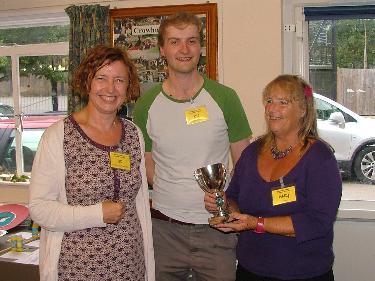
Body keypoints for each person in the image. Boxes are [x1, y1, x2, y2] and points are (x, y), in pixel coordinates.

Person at [133, 12, 252, 281]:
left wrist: (227, 203)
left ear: (200, 47)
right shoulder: (146, 104)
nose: (184, 50)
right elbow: (148, 167)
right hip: (164, 230)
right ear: (162, 49)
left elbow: (244, 165)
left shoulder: (225, 98)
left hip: (216, 232)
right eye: (175, 42)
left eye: (191, 41)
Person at [29, 45, 155, 281]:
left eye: (119, 80)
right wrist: (97, 214)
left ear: (128, 87)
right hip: (77, 270)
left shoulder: (134, 134)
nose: (110, 88)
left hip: (131, 267)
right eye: (101, 78)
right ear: (87, 82)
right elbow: (39, 209)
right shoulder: (59, 136)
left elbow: (139, 207)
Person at [205, 74, 342, 281]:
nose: (272, 108)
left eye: (283, 102)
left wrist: (256, 223)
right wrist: (223, 205)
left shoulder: (319, 158)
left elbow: (317, 222)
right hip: (250, 269)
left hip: (303, 273)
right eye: (269, 101)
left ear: (303, 110)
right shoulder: (252, 152)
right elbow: (234, 197)